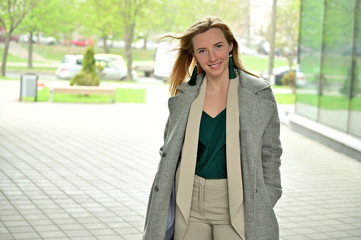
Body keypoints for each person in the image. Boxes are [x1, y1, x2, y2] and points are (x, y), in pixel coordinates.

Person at [143, 16, 282, 240]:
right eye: (203, 50)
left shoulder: (258, 94)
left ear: (230, 46)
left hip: (237, 203)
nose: (212, 56)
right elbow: (168, 149)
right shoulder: (185, 96)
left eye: (218, 46)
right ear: (195, 56)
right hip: (189, 202)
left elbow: (271, 153)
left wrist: (265, 197)